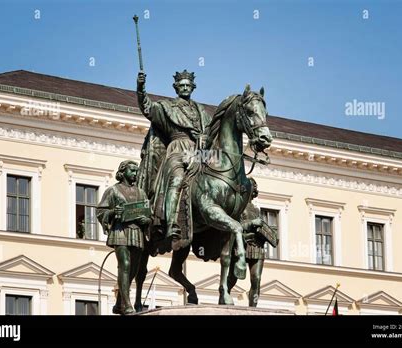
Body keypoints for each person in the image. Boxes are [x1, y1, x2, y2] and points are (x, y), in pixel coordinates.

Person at [136, 70, 212, 244]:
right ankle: (171, 224)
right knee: (177, 180)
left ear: (193, 87)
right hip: (177, 149)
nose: (185, 88)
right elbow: (147, 107)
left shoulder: (202, 112)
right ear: (175, 88)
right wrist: (141, 87)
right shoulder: (166, 107)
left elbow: (211, 133)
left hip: (200, 153)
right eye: (181, 85)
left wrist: (205, 139)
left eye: (188, 85)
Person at [97, 160, 151, 315]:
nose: (135, 174)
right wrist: (114, 212)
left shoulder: (141, 192)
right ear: (123, 172)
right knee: (125, 265)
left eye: (136, 171)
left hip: (136, 232)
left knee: (133, 269)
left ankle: (119, 302)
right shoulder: (113, 191)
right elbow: (101, 211)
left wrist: (146, 221)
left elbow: (149, 215)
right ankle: (127, 305)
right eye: (132, 171)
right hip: (120, 231)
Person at [228, 178, 278, 307]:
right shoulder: (237, 206)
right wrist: (252, 223)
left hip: (258, 246)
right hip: (241, 245)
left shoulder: (256, 209)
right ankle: (225, 294)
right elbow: (234, 226)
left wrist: (267, 232)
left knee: (256, 279)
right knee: (232, 279)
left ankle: (253, 308)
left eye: (252, 188)